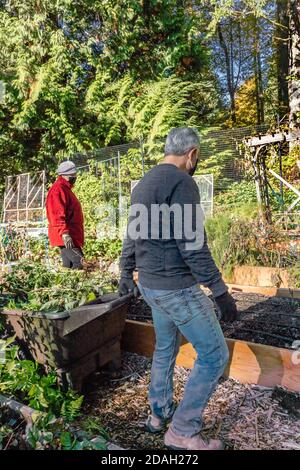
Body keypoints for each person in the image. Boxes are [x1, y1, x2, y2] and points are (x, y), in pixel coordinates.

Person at [118, 127, 238, 450]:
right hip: (176, 288)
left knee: (165, 347)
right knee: (214, 354)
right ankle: (183, 430)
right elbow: (193, 245)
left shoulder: (143, 184)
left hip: (151, 287)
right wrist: (220, 291)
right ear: (192, 154)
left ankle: (158, 415)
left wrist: (125, 273)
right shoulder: (183, 183)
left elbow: (131, 235)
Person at [46, 160, 84, 269]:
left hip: (70, 234)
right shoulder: (58, 190)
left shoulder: (65, 189)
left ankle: (66, 286)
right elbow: (56, 214)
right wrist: (65, 233)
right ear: (63, 175)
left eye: (74, 174)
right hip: (66, 235)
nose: (74, 177)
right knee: (80, 262)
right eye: (72, 175)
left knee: (68, 265)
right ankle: (78, 285)